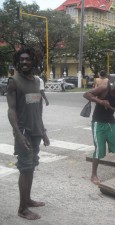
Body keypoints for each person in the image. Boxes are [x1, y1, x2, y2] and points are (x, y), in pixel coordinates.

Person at [6, 48, 50, 220]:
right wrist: (18, 134)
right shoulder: (14, 81)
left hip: (36, 132)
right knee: (25, 169)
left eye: (28, 60)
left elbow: (37, 110)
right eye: (21, 60)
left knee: (31, 167)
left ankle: (28, 200)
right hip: (23, 133)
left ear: (34, 61)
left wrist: (43, 132)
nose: (24, 62)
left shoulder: (37, 81)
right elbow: (11, 111)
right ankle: (22, 209)